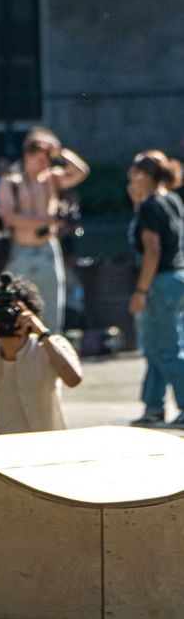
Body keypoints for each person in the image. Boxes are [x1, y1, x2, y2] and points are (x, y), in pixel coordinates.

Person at [0, 273, 82, 436]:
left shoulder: (50, 347)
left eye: (12, 311)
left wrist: (42, 333)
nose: (6, 317)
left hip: (44, 447)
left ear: (31, 313)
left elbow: (73, 379)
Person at [0, 128, 89, 334]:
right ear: (28, 156)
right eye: (41, 159)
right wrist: (45, 220)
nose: (45, 164)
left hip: (48, 249)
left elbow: (82, 171)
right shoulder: (11, 182)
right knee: (17, 310)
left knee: (51, 311)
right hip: (20, 251)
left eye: (48, 160)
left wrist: (60, 152)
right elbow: (11, 218)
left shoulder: (51, 178)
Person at [125, 149, 184, 428]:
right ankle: (153, 407)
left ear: (144, 175)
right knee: (156, 348)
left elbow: (152, 252)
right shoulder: (171, 200)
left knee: (166, 351)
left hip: (158, 284)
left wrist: (141, 291)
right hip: (176, 279)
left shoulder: (150, 207)